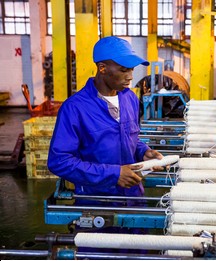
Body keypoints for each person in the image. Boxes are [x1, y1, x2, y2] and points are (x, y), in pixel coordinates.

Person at [47, 36, 163, 207]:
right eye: (124, 70)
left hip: (134, 198)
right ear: (102, 68)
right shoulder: (75, 108)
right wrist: (113, 174)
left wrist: (143, 151)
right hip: (98, 202)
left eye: (131, 69)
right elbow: (60, 161)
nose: (130, 77)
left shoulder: (129, 98)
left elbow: (128, 138)